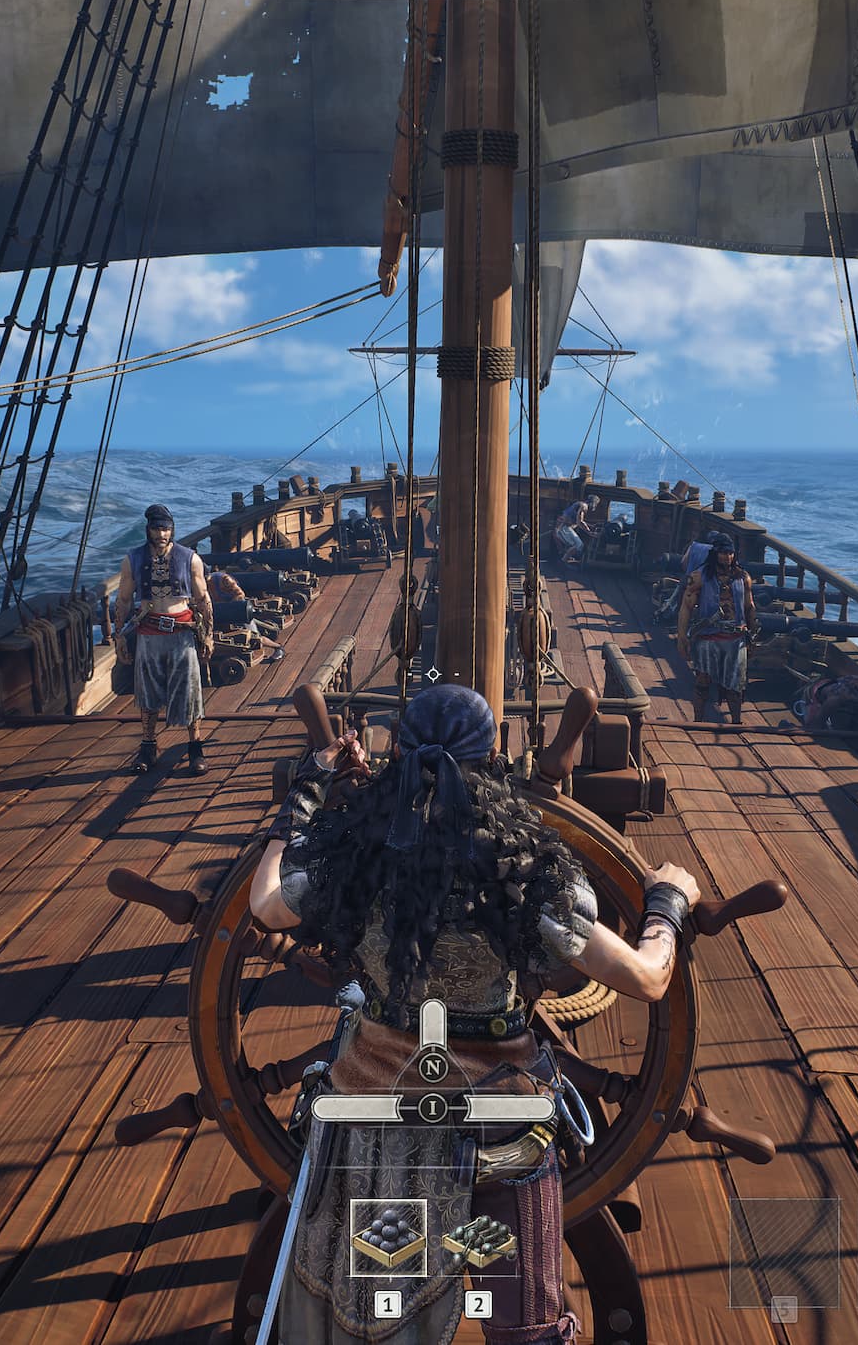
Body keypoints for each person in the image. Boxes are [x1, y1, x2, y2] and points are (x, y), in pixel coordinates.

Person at [249, 684, 703, 1345]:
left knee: (379, 1320)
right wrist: (666, 905)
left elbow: (265, 905)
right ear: (494, 757)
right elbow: (646, 978)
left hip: (378, 1130)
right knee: (523, 1327)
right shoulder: (529, 874)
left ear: (396, 754)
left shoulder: (351, 860)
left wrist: (306, 791)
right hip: (498, 1134)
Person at [114, 504, 214, 774]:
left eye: (166, 529)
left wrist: (208, 635)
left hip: (181, 633)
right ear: (148, 530)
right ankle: (148, 747)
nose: (161, 534)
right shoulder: (133, 559)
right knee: (147, 693)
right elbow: (123, 600)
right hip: (149, 633)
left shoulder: (190, 559)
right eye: (156, 529)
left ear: (172, 530)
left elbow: (202, 599)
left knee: (190, 692)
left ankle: (195, 748)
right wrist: (119, 636)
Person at [676, 535, 758, 723]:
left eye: (730, 553)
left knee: (735, 687)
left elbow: (749, 607)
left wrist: (752, 636)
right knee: (702, 682)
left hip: (735, 638)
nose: (727, 557)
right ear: (715, 553)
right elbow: (686, 607)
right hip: (708, 637)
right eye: (722, 553)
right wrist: (682, 638)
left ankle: (736, 723)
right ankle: (698, 721)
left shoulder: (743, 578)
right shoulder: (698, 577)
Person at [551, 499, 590, 566]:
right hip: (564, 526)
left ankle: (565, 558)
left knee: (571, 545)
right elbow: (580, 522)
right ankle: (563, 561)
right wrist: (589, 531)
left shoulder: (578, 504)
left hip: (562, 526)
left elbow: (578, 521)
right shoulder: (584, 506)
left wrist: (589, 525)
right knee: (578, 545)